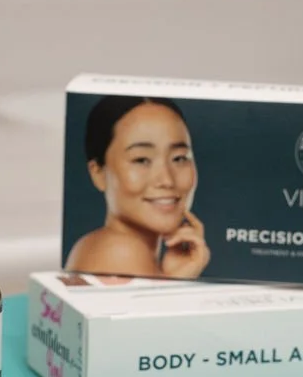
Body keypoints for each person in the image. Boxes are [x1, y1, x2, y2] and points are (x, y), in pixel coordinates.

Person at [66, 95, 210, 279]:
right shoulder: (121, 251)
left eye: (179, 158)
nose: (167, 180)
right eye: (141, 160)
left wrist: (173, 278)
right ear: (98, 173)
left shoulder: (95, 245)